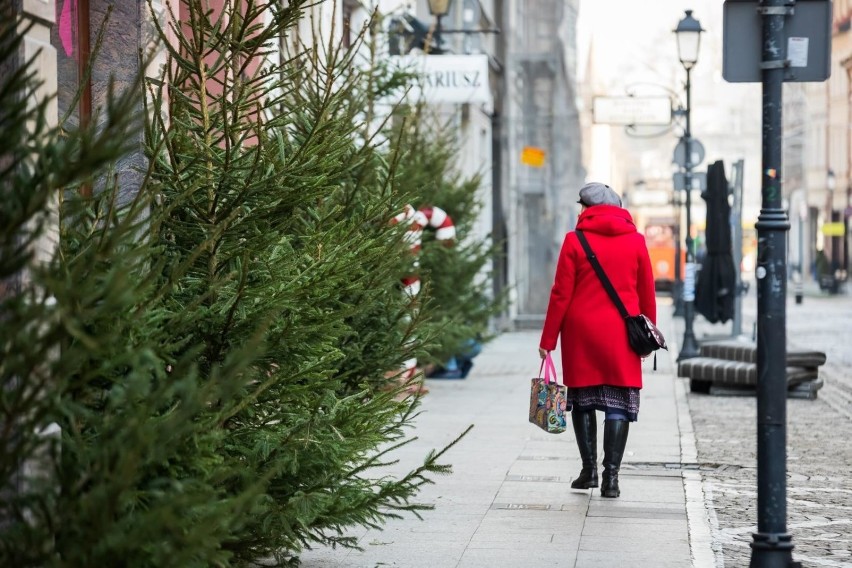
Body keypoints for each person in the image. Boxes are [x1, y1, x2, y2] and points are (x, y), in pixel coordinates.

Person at [538, 182, 656, 499]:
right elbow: (647, 292)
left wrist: (548, 339)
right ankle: (611, 479)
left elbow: (561, 293)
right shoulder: (636, 241)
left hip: (581, 333)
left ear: (587, 210)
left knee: (583, 401)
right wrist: (648, 337)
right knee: (618, 405)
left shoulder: (574, 240)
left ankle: (588, 471)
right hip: (622, 332)